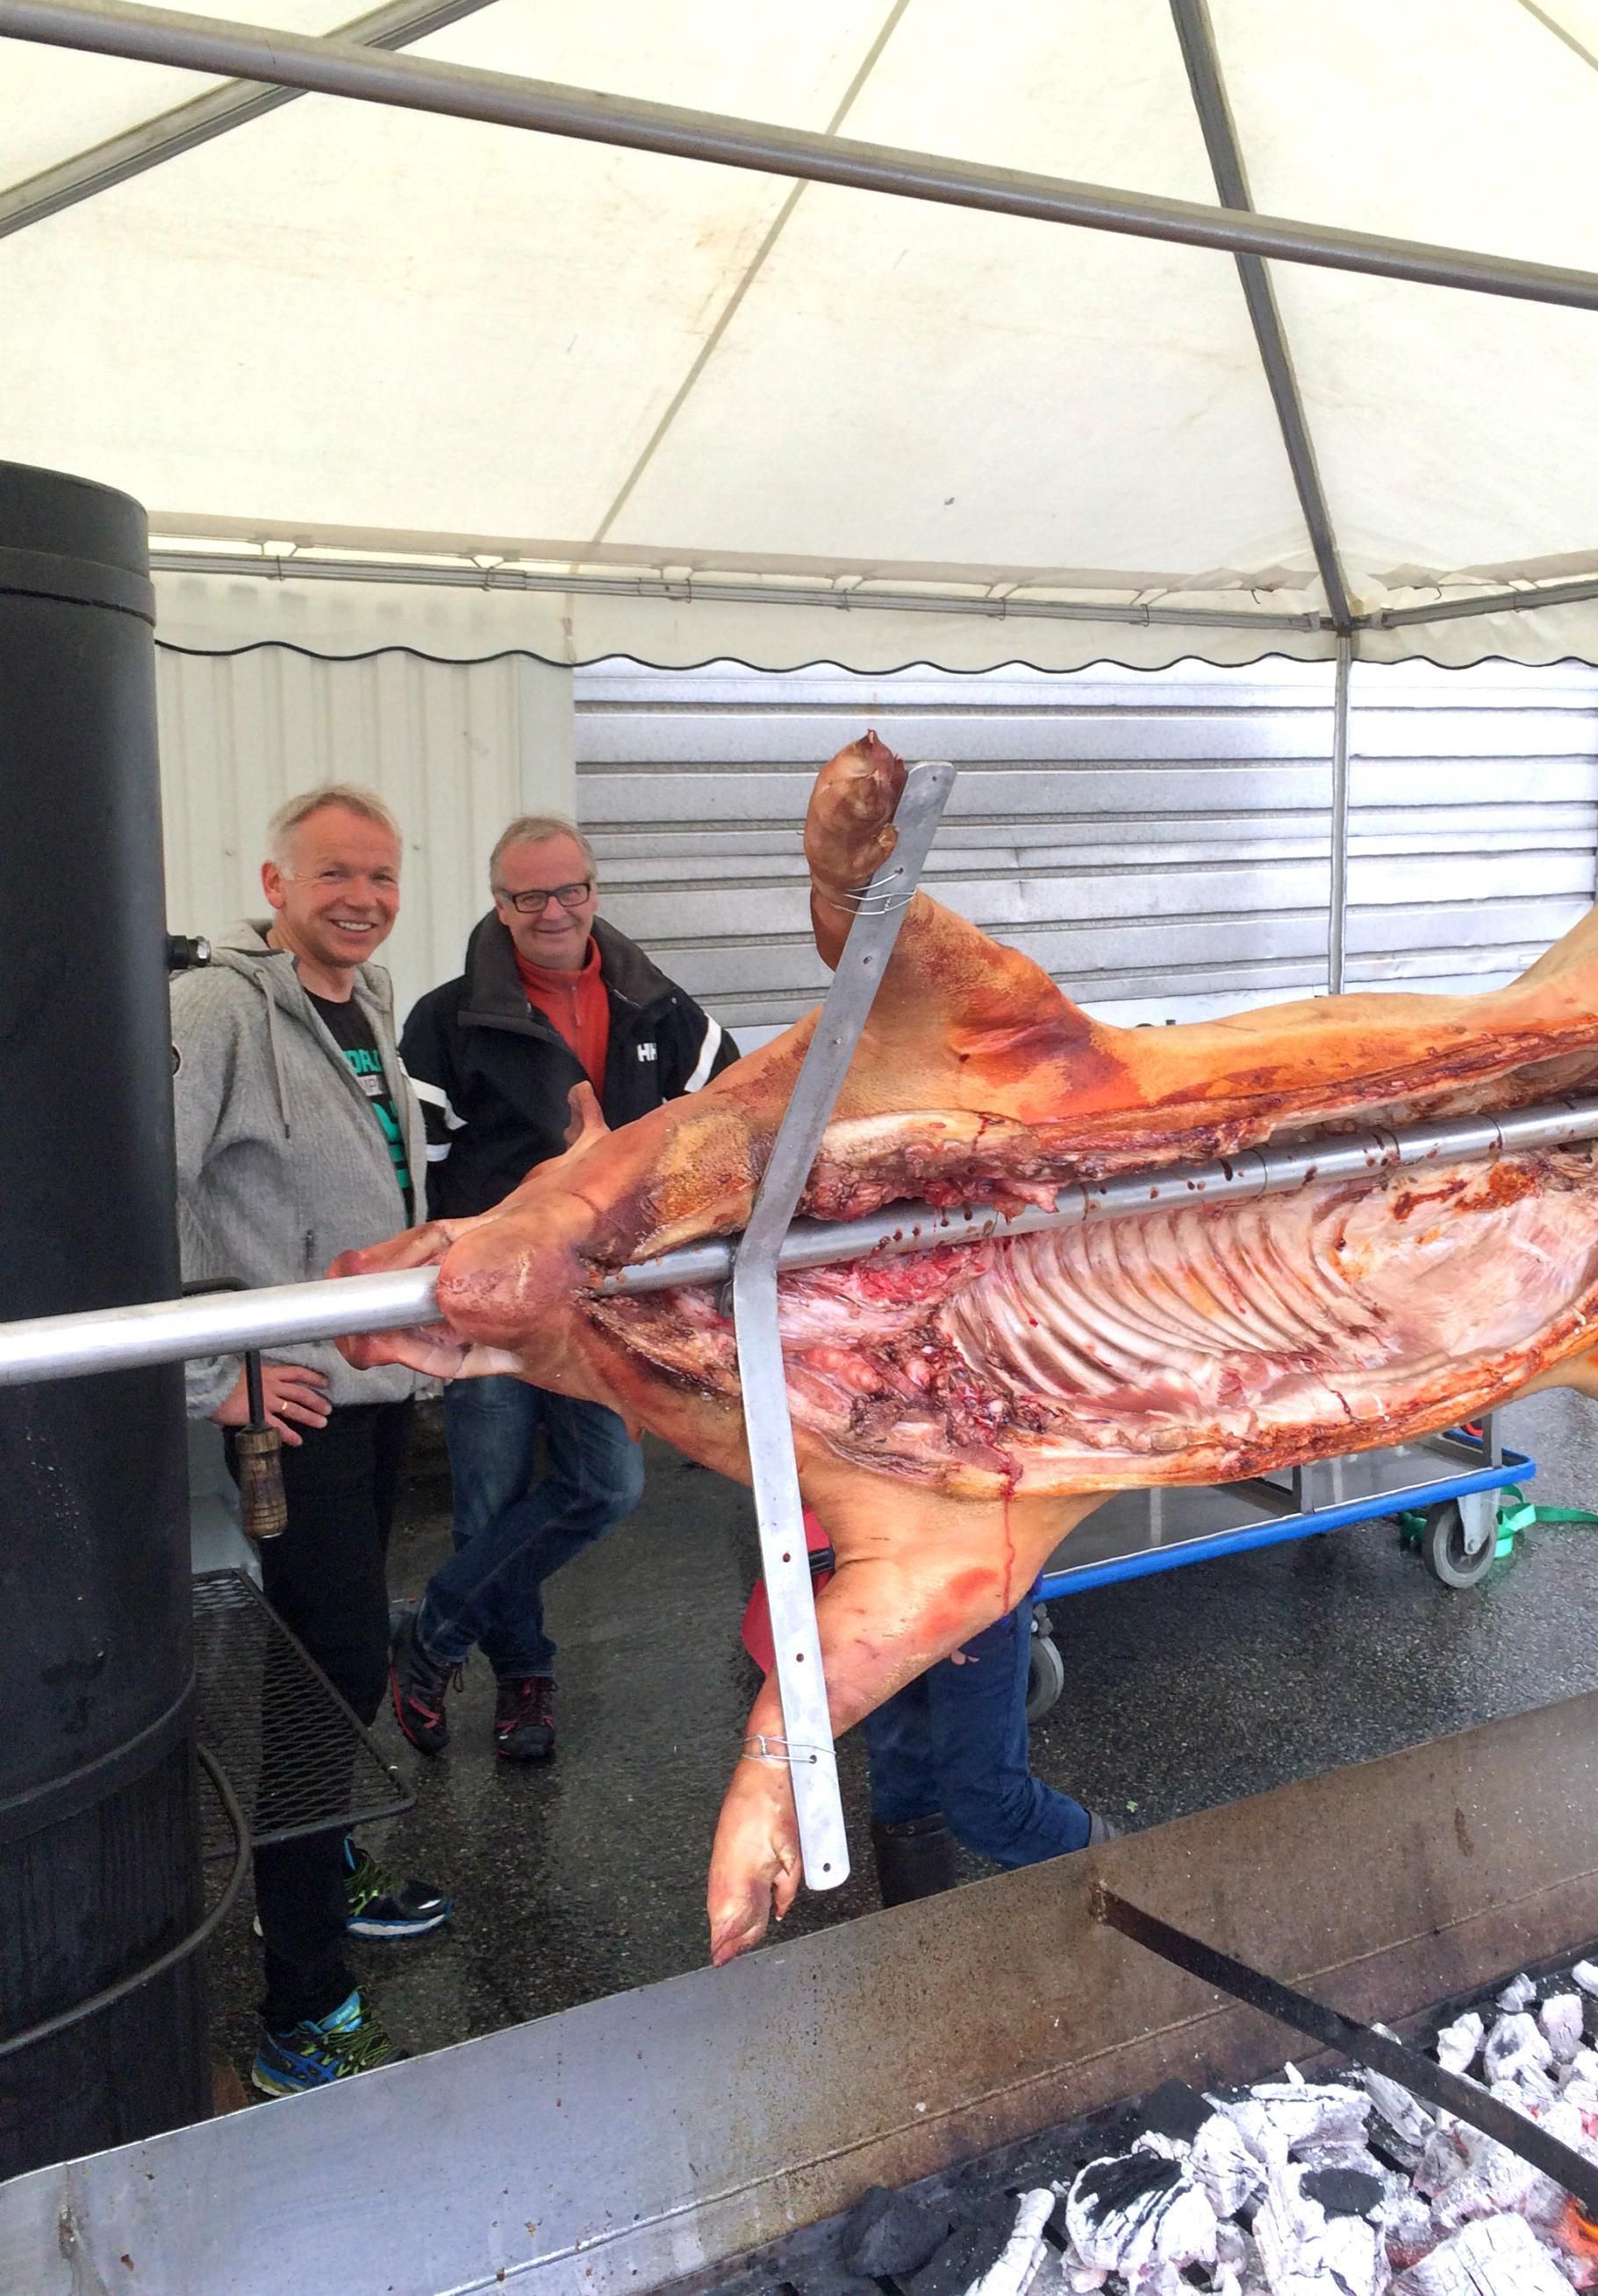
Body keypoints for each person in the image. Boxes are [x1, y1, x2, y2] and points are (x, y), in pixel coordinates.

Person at [172, 782, 448, 2097]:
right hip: (289, 1406)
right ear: (274, 884)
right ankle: (301, 2007)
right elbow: (131, 1190)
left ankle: (323, 1865)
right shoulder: (216, 1011)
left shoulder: (365, 1004)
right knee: (321, 1675)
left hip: (370, 1389)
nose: (363, 898)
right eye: (335, 874)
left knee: (347, 1656)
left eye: (381, 876)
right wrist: (211, 1375)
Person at [391, 814, 738, 1763]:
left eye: (569, 889)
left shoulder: (664, 1010)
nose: (554, 910)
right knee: (489, 1499)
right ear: (499, 904)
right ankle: (524, 1676)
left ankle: (432, 1633)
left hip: (606, 1302)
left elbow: (728, 1131)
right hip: (492, 1306)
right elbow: (415, 1174)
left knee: (605, 1485)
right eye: (529, 895)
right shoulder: (445, 1022)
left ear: (594, 888)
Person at [741, 1520, 1112, 1902]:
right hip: (876, 1577)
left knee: (989, 1804)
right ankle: (917, 1927)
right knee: (902, 1783)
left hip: (974, 1575)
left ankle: (1128, 1874)